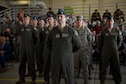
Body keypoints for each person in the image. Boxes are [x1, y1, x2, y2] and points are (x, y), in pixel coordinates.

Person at [44, 9, 81, 84]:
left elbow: (78, 44)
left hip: (67, 60)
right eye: (58, 16)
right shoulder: (53, 32)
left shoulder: (71, 31)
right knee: (55, 79)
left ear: (65, 18)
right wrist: (55, 52)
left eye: (61, 16)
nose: (59, 18)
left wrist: (69, 51)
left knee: (69, 79)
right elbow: (48, 44)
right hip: (55, 60)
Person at [98, 16, 122, 84]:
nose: (110, 22)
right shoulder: (103, 31)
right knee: (103, 67)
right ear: (106, 22)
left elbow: (120, 40)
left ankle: (117, 81)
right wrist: (102, 49)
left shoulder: (117, 30)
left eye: (111, 21)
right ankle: (102, 81)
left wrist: (116, 47)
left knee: (116, 66)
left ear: (113, 22)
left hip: (114, 51)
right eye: (109, 21)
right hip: (105, 51)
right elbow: (100, 42)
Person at [16, 13, 38, 84]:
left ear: (29, 20)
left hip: (30, 48)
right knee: (22, 63)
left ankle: (33, 79)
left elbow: (35, 38)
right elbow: (18, 36)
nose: (25, 19)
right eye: (24, 18)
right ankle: (21, 78)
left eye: (27, 18)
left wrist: (31, 46)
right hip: (22, 48)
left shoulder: (32, 28)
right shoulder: (20, 27)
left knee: (31, 63)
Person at [74, 16, 93, 84]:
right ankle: (74, 80)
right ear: (76, 22)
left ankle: (86, 80)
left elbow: (91, 38)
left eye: (80, 20)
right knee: (75, 66)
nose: (79, 22)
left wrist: (87, 46)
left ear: (82, 22)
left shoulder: (86, 29)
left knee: (85, 66)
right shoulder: (73, 30)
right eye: (78, 20)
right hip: (76, 51)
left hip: (84, 51)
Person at [43, 14, 55, 84]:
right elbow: (42, 39)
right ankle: (46, 79)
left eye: (51, 19)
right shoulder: (45, 29)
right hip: (46, 49)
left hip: (54, 49)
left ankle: (54, 79)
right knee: (46, 64)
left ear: (54, 20)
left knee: (54, 65)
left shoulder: (56, 29)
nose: (49, 20)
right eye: (48, 19)